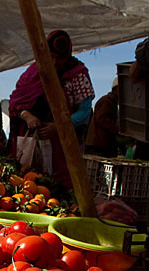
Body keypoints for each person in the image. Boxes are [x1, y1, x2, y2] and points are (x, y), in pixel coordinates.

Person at [9, 29, 94, 188]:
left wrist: (59, 126)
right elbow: (15, 102)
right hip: (30, 143)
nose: (55, 62)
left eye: (59, 58)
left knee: (59, 186)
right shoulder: (33, 72)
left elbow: (85, 111)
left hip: (62, 146)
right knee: (26, 183)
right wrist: (27, 116)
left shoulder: (77, 74)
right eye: (51, 57)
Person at [85, 78, 120, 157]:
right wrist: (118, 130)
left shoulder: (112, 102)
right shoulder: (106, 101)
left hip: (101, 145)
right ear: (117, 89)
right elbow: (101, 118)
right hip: (97, 146)